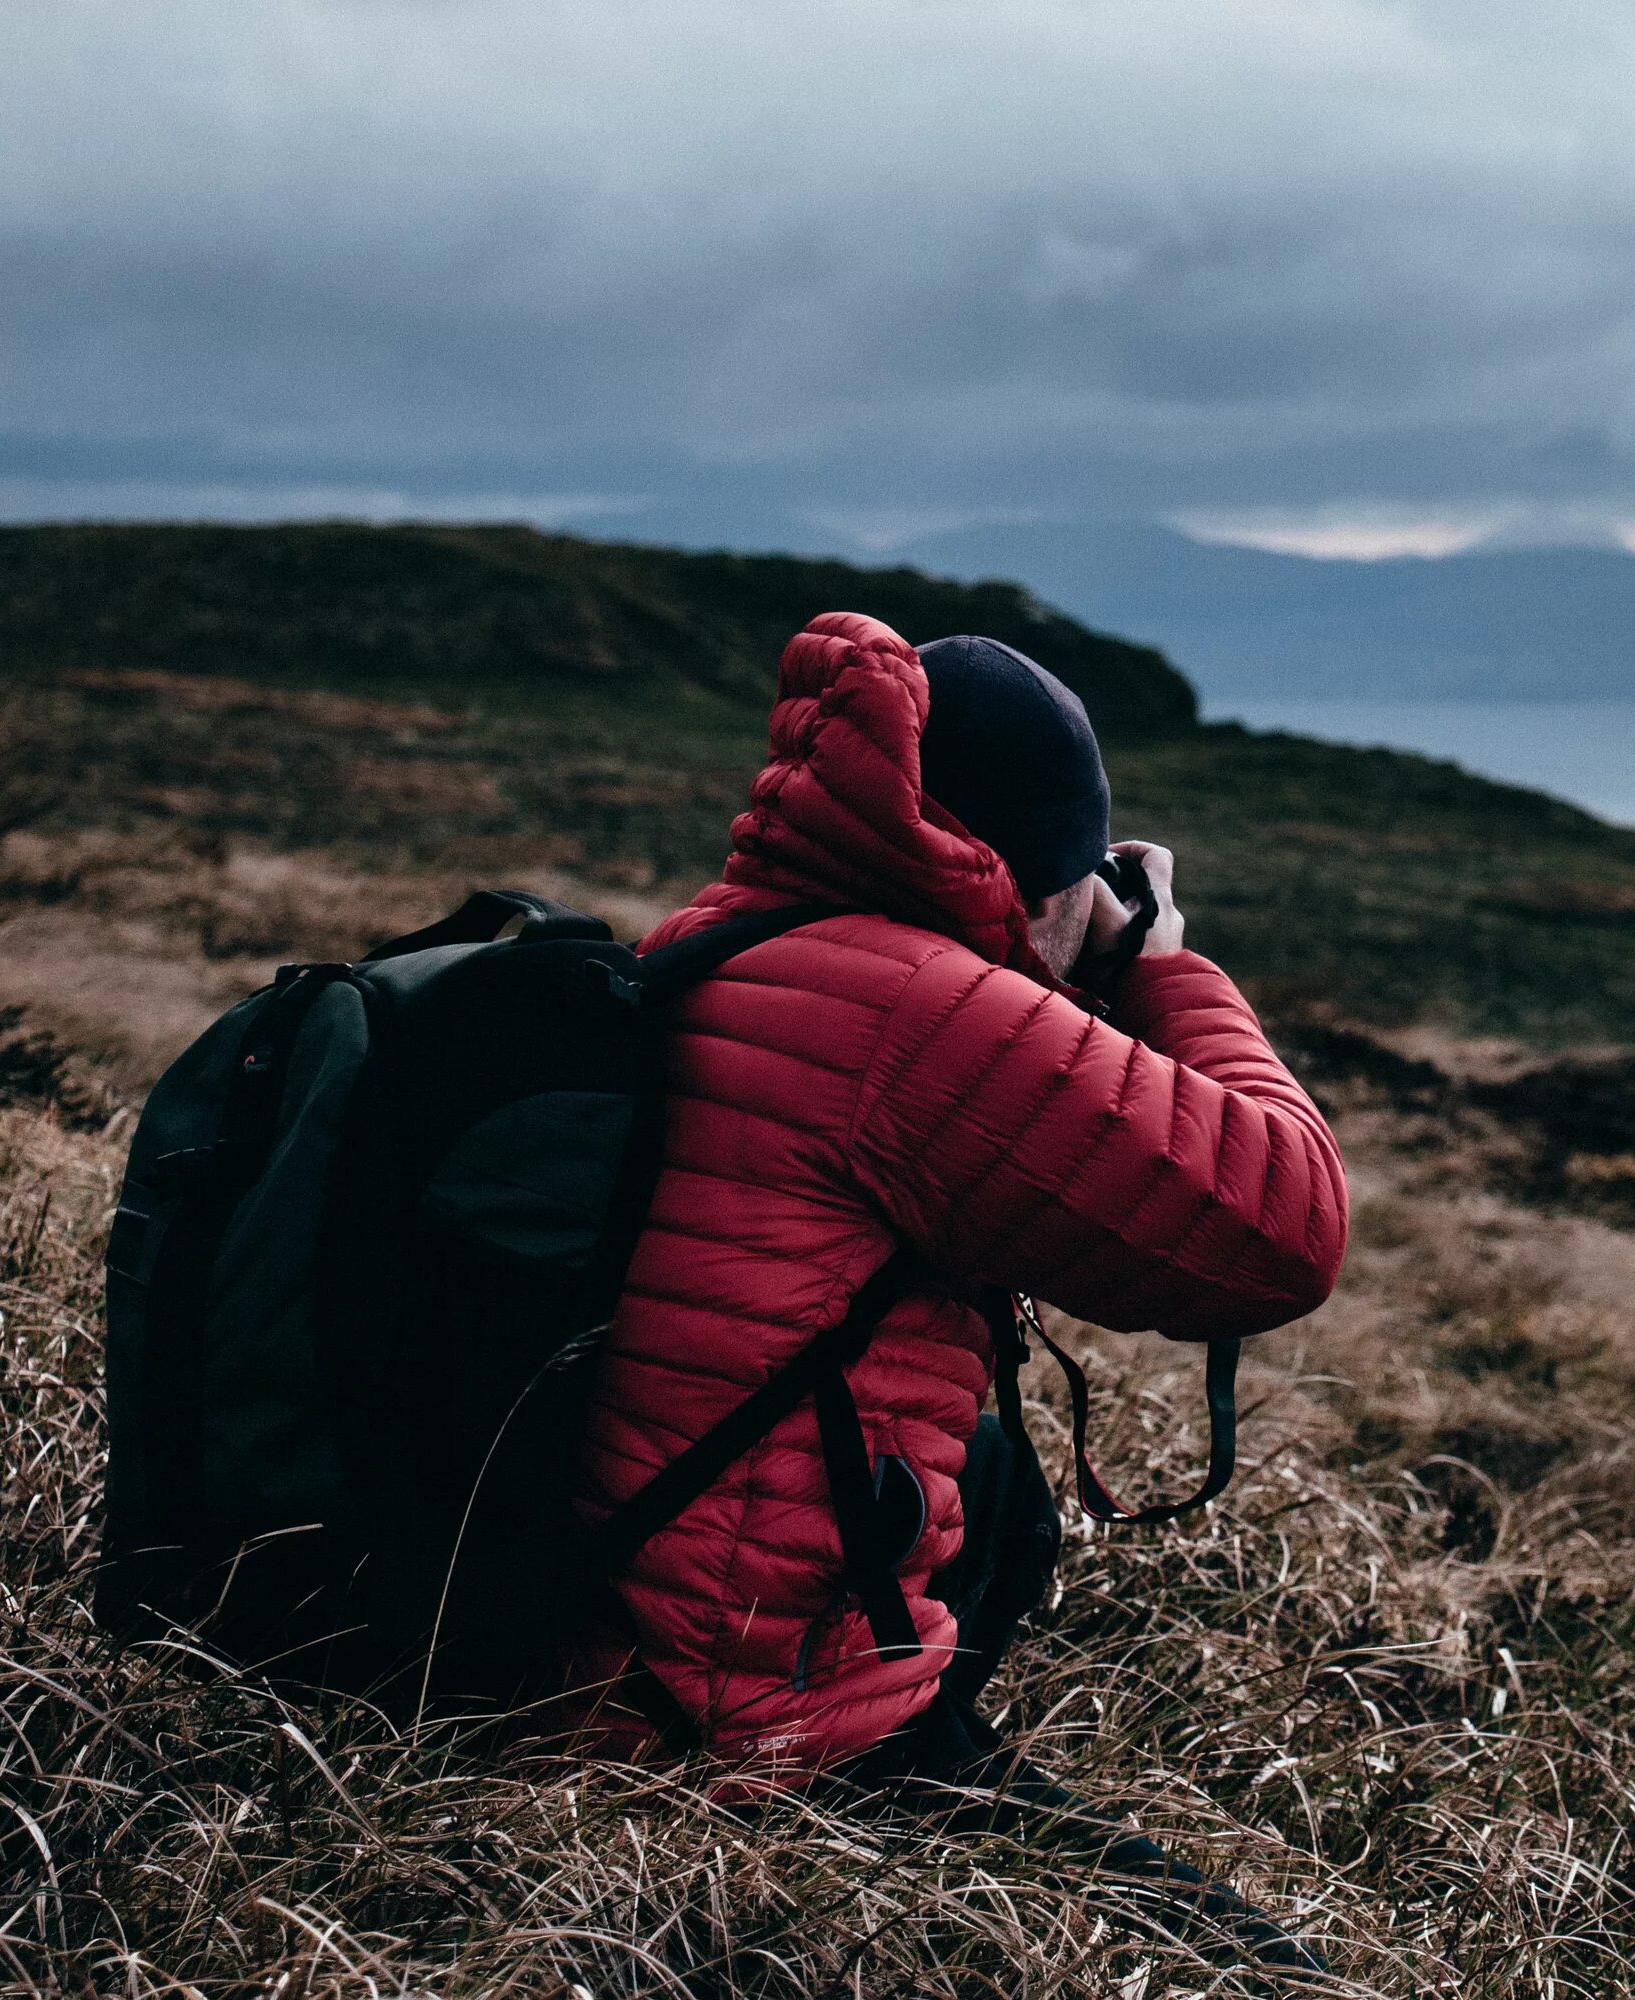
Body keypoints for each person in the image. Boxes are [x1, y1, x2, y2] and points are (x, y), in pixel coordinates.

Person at [564, 611, 1348, 1815]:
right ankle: (877, 1772)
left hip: (574, 1629)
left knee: (989, 1480)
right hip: (724, 1728)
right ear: (1038, 873)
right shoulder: (929, 1012)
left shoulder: (720, 934)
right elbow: (1285, 1227)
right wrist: (1161, 970)